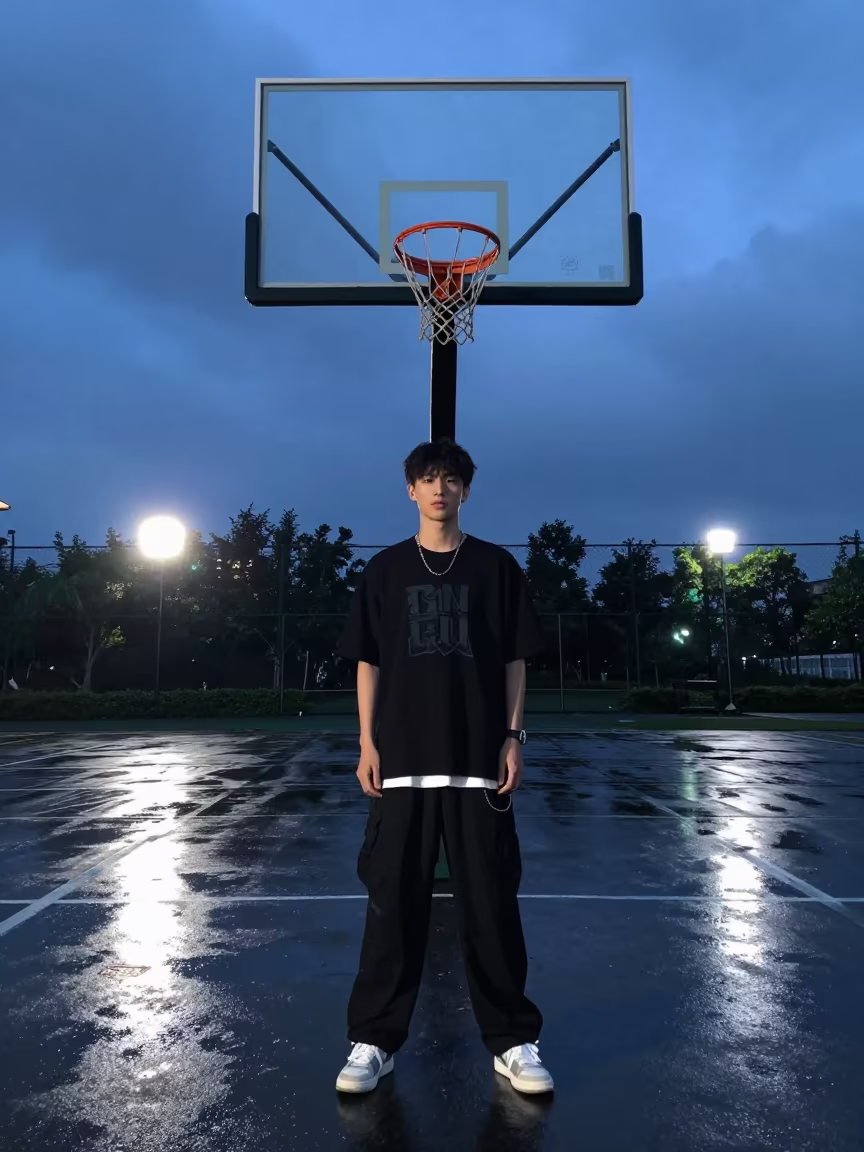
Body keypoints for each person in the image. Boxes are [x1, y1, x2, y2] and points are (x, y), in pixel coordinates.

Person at [334, 437, 553, 1096]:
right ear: (411, 490)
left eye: (450, 479)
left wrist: (511, 736)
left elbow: (514, 660)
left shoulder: (494, 566)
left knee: (491, 906)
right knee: (391, 907)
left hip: (478, 765)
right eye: (428, 479)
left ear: (465, 490)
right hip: (401, 765)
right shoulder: (385, 570)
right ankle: (375, 1040)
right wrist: (367, 743)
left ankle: (512, 1041)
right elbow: (368, 663)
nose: (439, 489)